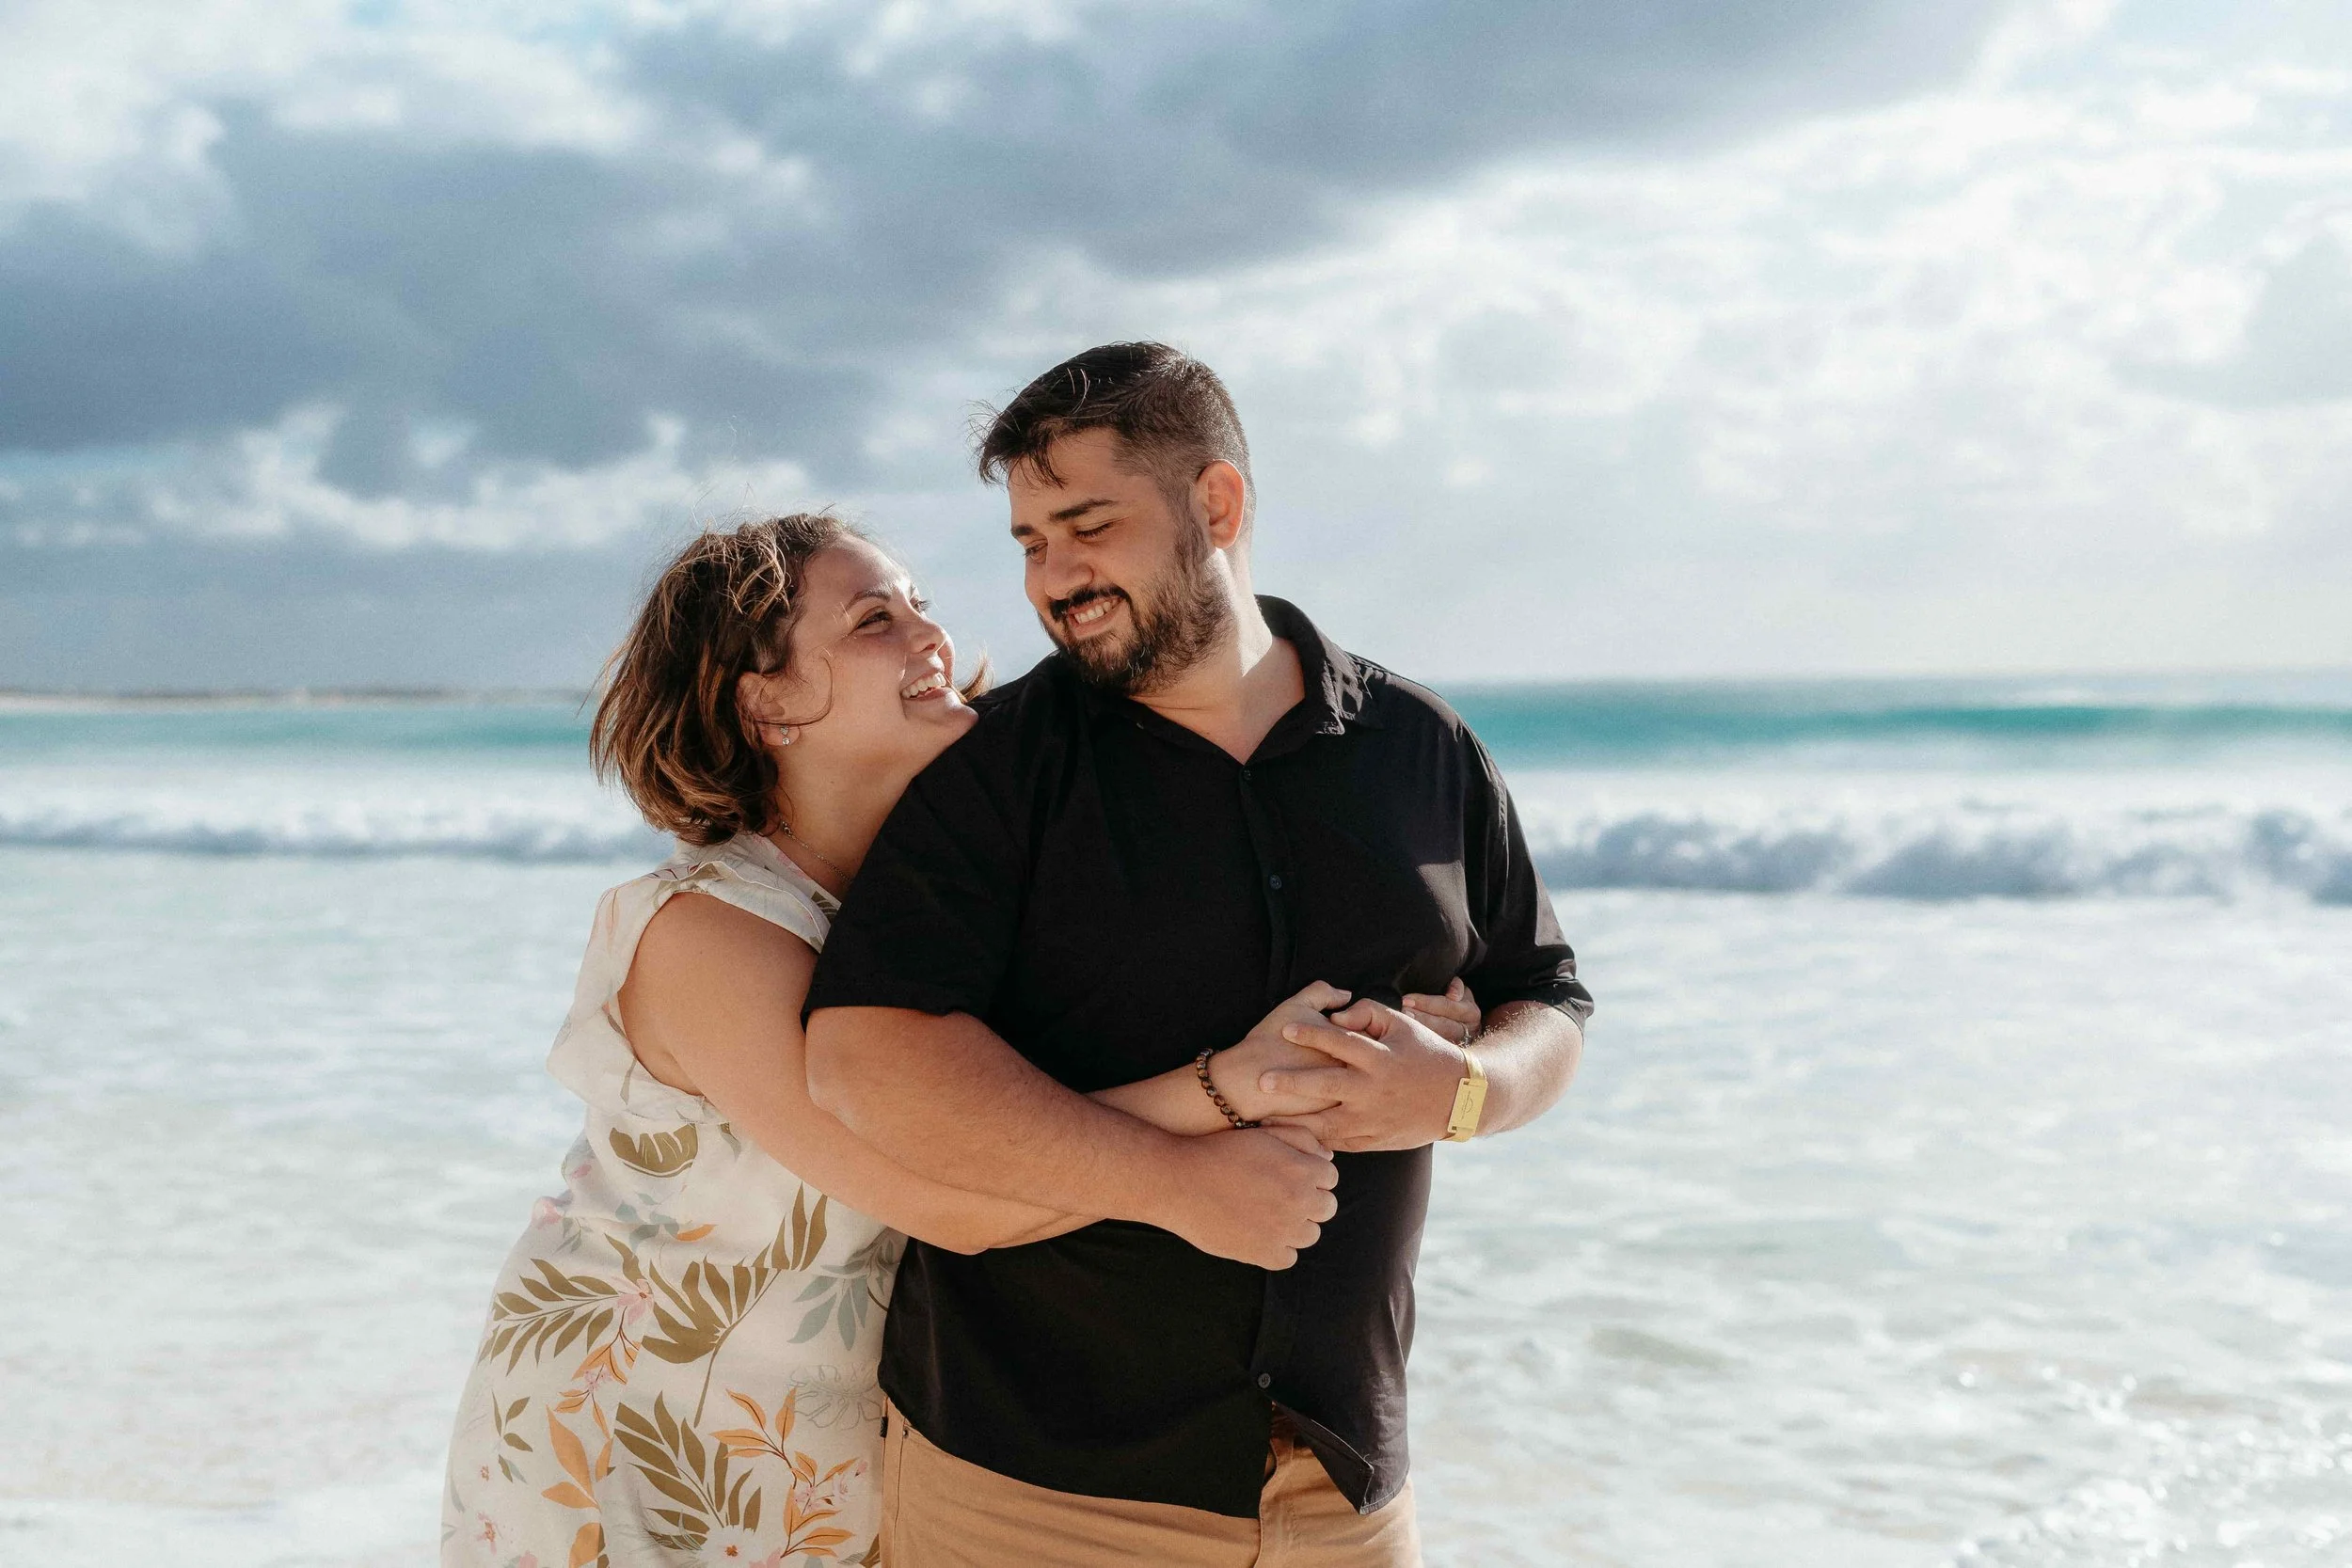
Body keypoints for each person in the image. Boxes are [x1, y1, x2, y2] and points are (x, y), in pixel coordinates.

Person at [439, 513, 1483, 1566]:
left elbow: (1048, 1087)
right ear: (765, 701)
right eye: (873, 620)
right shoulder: (706, 934)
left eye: (920, 604)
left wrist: (1392, 1012)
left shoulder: (939, 905)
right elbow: (939, 1187)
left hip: (823, 1449)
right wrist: (1230, 1092)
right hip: (629, 1431)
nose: (931, 635)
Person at [804, 342, 1594, 1566]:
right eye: (1029, 543)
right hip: (1032, 1487)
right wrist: (1168, 1174)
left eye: (1088, 527)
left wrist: (1464, 1089)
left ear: (1216, 504)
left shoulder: (1421, 747)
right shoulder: (996, 771)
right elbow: (865, 1054)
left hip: (1346, 1481)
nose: (1054, 578)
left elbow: (1545, 997)